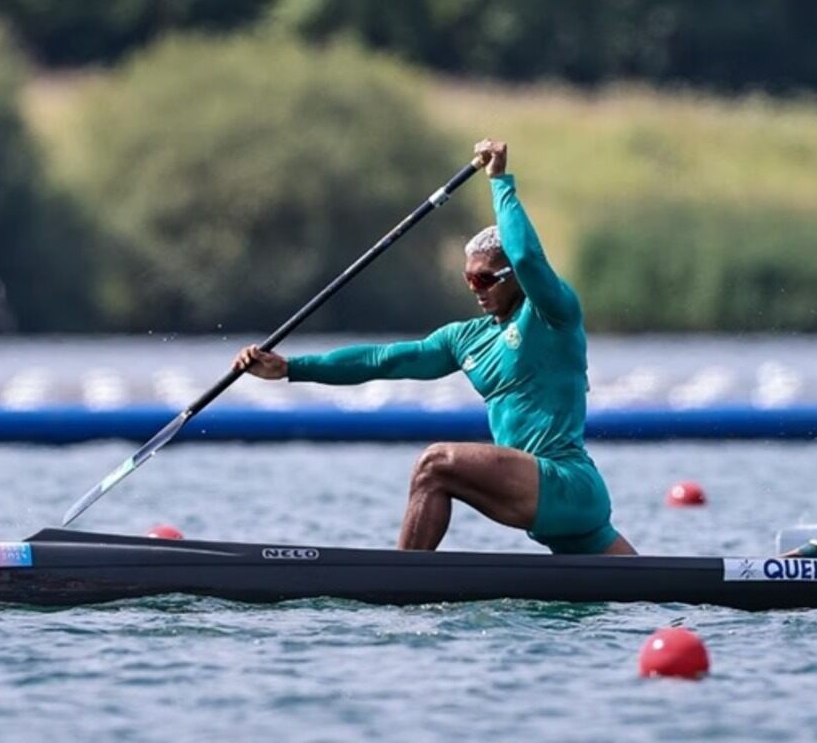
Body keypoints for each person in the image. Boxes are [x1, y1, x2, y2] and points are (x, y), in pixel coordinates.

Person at [234, 139, 637, 555]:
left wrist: (499, 181)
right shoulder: (466, 338)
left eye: (485, 279)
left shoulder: (552, 313)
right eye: (468, 280)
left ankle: (398, 582)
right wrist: (291, 368)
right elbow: (382, 361)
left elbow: (529, 257)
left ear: (513, 275)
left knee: (434, 465)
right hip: (552, 508)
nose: (475, 289)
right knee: (646, 593)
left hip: (564, 483)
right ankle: (411, 579)